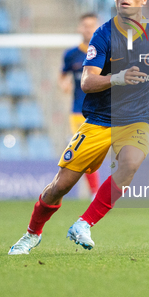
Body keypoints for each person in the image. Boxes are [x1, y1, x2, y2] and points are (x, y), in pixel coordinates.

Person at [8, 0, 149, 255]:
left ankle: (84, 224)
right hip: (99, 121)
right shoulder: (103, 34)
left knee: (130, 164)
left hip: (136, 119)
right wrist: (118, 77)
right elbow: (87, 82)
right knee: (59, 187)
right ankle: (31, 234)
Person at [59, 13, 102, 197]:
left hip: (101, 110)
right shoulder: (71, 54)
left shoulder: (106, 52)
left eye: (92, 25)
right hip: (79, 111)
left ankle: (101, 192)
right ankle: (95, 193)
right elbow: (62, 75)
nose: (88, 29)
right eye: (85, 25)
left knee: (97, 153)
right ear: (79, 28)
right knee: (84, 152)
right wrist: (64, 84)